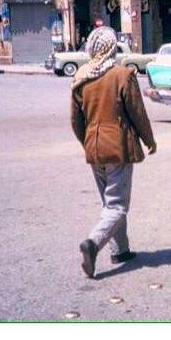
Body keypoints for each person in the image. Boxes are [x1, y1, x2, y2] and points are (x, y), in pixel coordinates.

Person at [70, 26, 157, 278]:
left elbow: (76, 121)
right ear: (111, 48)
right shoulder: (122, 75)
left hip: (94, 147)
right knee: (117, 206)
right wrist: (148, 140)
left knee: (109, 203)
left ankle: (121, 249)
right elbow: (137, 113)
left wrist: (88, 142)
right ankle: (93, 243)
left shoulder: (81, 77)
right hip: (117, 146)